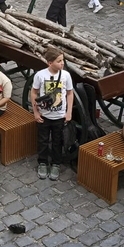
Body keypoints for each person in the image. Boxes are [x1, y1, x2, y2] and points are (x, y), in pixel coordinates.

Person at [31, 47, 74, 181]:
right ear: (50, 63)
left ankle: (56, 163)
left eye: (63, 60)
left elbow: (69, 93)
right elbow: (34, 92)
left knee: (58, 141)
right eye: (59, 61)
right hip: (44, 115)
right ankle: (42, 162)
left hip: (59, 116)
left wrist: (69, 112)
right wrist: (36, 112)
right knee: (43, 140)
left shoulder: (66, 75)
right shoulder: (40, 75)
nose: (62, 63)